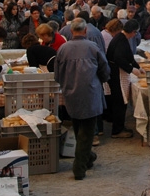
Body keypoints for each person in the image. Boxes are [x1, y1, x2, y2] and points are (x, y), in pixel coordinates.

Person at [53, 19, 110, 180]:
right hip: (90, 93)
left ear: (72, 31)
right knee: (87, 132)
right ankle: (79, 168)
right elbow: (105, 69)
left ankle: (88, 157)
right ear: (85, 31)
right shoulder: (92, 48)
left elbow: (57, 75)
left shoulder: (63, 49)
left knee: (79, 128)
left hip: (71, 94)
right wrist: (102, 80)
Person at [104, 20, 143, 138]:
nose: (135, 35)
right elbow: (119, 58)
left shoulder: (121, 38)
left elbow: (129, 57)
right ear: (132, 32)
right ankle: (117, 130)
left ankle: (119, 126)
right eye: (135, 32)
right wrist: (133, 70)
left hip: (117, 73)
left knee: (120, 101)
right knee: (119, 102)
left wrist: (138, 67)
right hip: (117, 74)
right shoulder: (120, 40)